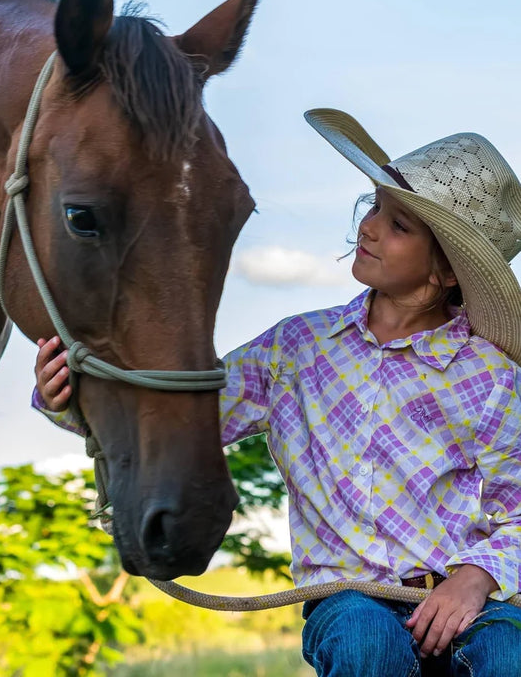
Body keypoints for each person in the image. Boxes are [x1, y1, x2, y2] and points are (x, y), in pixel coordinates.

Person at [33, 107, 521, 676]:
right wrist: (74, 398)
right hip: (350, 600)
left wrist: (475, 578)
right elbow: (181, 418)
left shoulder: (490, 378)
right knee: (366, 644)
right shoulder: (296, 348)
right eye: (374, 209)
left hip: (465, 597)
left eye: (399, 226)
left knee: (505, 655)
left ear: (446, 270)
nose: (368, 227)